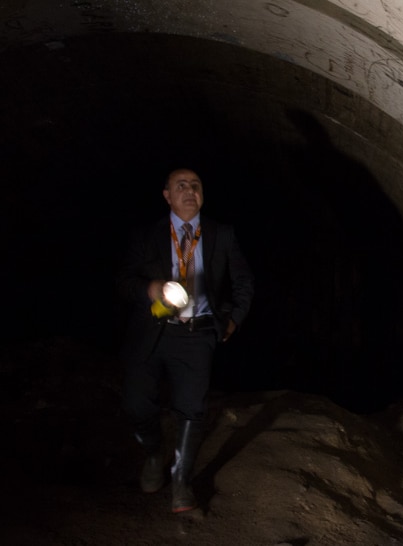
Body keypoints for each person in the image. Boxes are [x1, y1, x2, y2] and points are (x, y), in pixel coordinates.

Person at [116, 167, 254, 513]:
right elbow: (123, 281)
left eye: (195, 186)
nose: (189, 191)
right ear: (167, 196)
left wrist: (234, 319)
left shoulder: (222, 234)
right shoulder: (147, 235)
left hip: (197, 334)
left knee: (192, 409)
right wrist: (151, 289)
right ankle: (152, 453)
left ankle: (181, 482)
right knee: (136, 402)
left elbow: (243, 281)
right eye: (181, 186)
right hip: (152, 329)